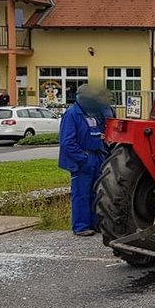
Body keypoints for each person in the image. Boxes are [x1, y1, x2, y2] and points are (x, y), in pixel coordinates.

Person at [58, 84, 110, 237]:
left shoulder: (92, 113)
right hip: (83, 159)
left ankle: (95, 223)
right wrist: (82, 158)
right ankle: (81, 226)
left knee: (96, 193)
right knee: (81, 194)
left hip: (96, 156)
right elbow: (67, 142)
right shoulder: (72, 114)